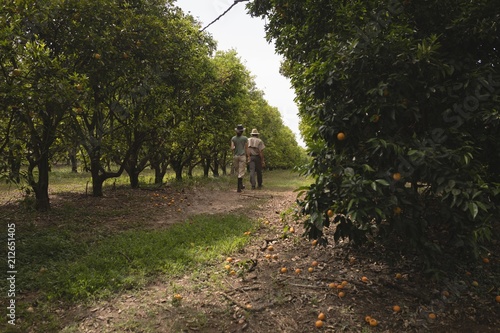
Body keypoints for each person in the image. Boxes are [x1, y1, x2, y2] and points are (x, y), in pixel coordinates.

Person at [231, 124, 248, 192]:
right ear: (242, 131)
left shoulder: (233, 138)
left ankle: (240, 185)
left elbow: (232, 148)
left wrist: (234, 149)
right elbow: (246, 148)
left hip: (235, 156)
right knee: (241, 172)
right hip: (242, 156)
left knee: (238, 171)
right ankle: (239, 187)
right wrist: (248, 156)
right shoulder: (245, 138)